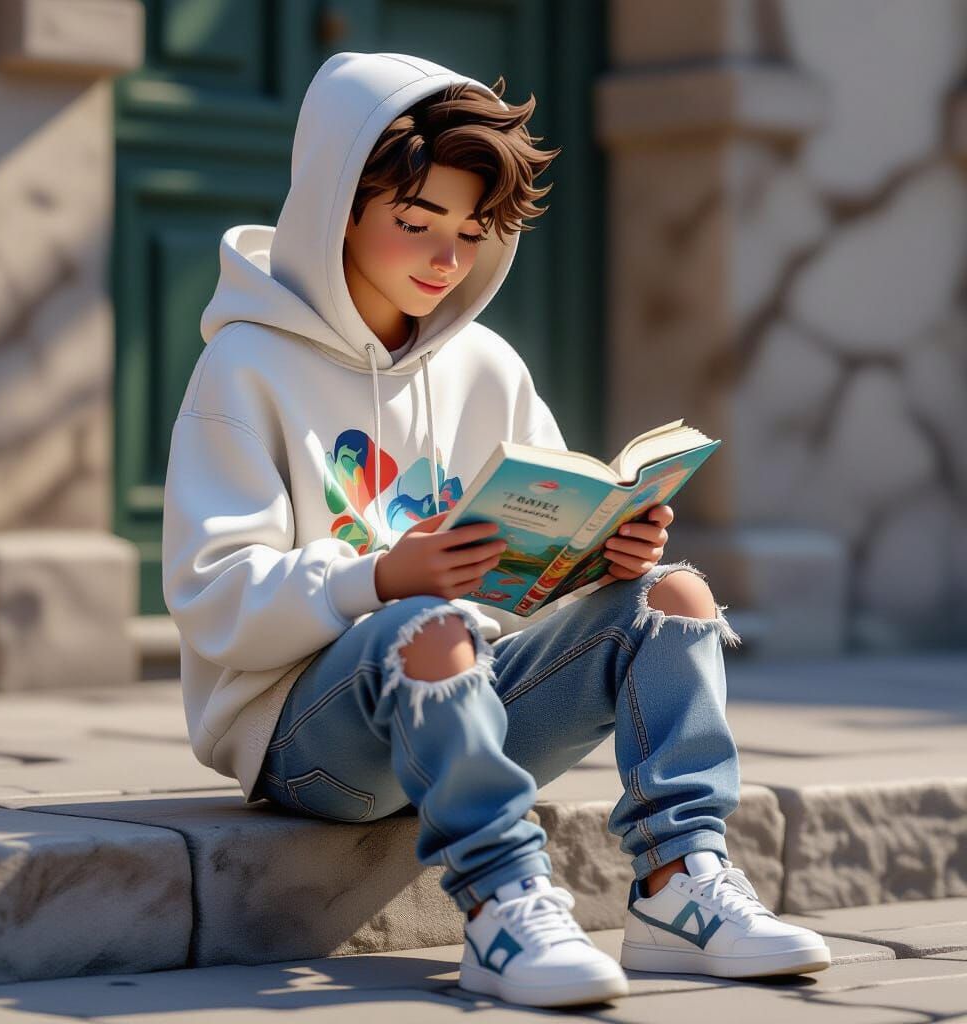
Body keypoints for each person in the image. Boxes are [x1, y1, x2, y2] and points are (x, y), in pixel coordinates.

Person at [161, 51, 830, 1010]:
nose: (447, 259)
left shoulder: (487, 366)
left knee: (672, 595)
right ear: (336, 208)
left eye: (471, 233)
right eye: (416, 222)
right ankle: (505, 904)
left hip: (465, 692)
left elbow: (526, 582)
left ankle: (678, 884)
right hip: (310, 744)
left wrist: (601, 559)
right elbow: (214, 596)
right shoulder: (245, 368)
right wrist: (380, 577)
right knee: (429, 624)